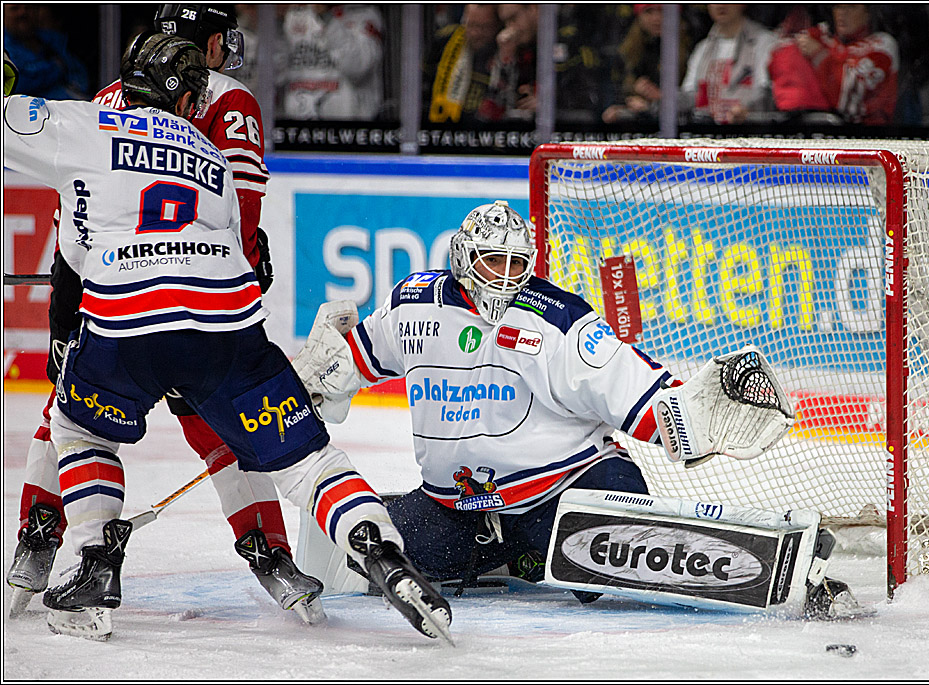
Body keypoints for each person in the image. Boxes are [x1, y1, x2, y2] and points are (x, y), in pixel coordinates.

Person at [2, 32, 451, 643]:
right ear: (186, 98)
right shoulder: (210, 156)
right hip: (229, 330)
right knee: (307, 459)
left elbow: (74, 246)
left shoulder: (86, 125)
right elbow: (241, 249)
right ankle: (379, 550)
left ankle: (93, 564)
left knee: (76, 427)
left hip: (127, 324)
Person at [294, 201, 861, 618]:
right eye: (493, 263)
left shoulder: (558, 321)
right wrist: (315, 376)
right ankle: (511, 558)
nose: (507, 278)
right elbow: (355, 365)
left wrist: (701, 410)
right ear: (464, 259)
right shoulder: (412, 304)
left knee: (607, 549)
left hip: (563, 492)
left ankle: (792, 572)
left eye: (518, 265)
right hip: (458, 508)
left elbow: (636, 397)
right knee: (383, 558)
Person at [5, 3, 316, 625]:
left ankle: (41, 538)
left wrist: (86, 283)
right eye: (217, 43)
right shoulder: (229, 101)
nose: (225, 55)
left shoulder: (108, 96)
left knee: (69, 411)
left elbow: (72, 200)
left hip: (98, 283)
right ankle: (270, 554)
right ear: (196, 51)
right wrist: (243, 276)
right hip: (196, 285)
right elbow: (242, 212)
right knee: (226, 421)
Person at [794, 4, 899, 126]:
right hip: (815, 132)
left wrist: (819, 56)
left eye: (851, 6)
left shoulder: (881, 46)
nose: (842, 13)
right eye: (838, 6)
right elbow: (788, 54)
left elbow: (848, 101)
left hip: (866, 136)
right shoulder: (823, 35)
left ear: (868, 13)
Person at [276, 4, 385, 120]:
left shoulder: (364, 13)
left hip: (350, 127)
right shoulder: (293, 13)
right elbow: (275, 75)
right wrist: (275, 23)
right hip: (295, 126)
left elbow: (358, 66)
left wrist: (326, 17)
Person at [679, 4, 777, 125]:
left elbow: (767, 93)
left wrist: (747, 111)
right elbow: (689, 94)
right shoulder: (702, 48)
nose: (721, 5)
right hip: (707, 132)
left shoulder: (765, 42)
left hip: (752, 131)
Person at [602, 4, 690, 125]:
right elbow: (617, 92)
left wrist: (655, 102)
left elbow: (692, 99)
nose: (656, 18)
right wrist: (625, 104)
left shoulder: (690, 50)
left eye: (662, 11)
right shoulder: (627, 52)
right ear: (639, 16)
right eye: (649, 12)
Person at [423, 3, 501, 124]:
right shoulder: (446, 40)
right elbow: (422, 84)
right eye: (471, 25)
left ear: (497, 26)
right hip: (442, 124)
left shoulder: (504, 48)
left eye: (484, 27)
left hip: (488, 129)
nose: (475, 33)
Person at [2, 4, 90, 100]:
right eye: (15, 9)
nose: (23, 13)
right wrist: (55, 70)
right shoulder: (4, 48)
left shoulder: (53, 40)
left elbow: (79, 74)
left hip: (74, 106)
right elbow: (16, 84)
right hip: (32, 110)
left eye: (28, 8)